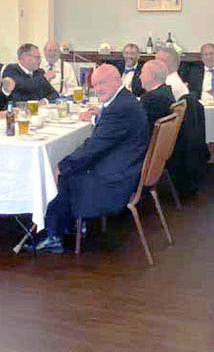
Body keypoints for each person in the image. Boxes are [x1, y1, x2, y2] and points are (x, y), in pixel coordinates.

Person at [27, 65, 149, 253]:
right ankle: (70, 224)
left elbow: (93, 147)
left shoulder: (121, 108)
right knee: (70, 165)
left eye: (102, 83)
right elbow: (102, 139)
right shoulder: (124, 101)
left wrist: (61, 166)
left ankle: (54, 236)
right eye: (95, 85)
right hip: (128, 166)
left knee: (62, 174)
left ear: (118, 81)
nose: (98, 88)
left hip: (117, 180)